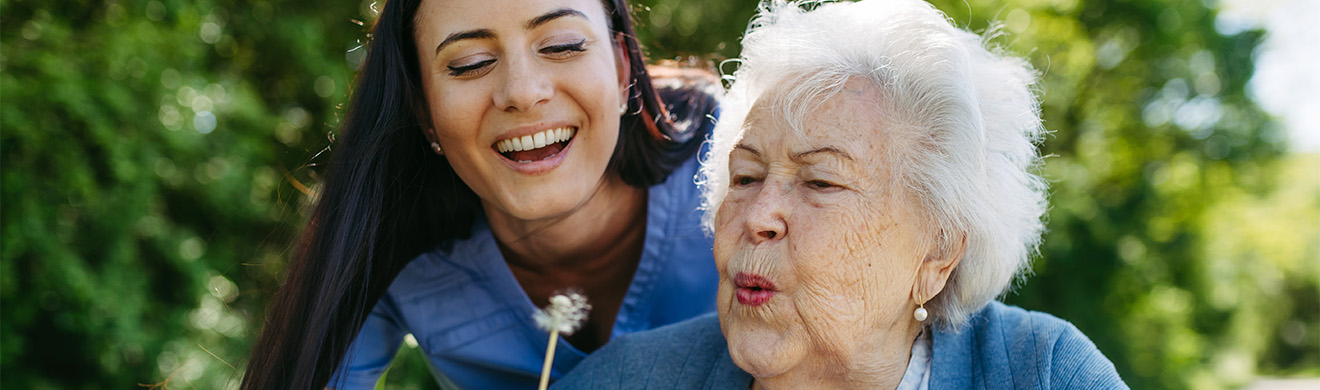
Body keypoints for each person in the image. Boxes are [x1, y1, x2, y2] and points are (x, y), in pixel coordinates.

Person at [554, 0, 1128, 388]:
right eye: (747, 177)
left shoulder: (1042, 371)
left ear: (938, 255)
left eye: (820, 181)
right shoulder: (626, 379)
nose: (758, 216)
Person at [240, 0, 721, 388]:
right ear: (424, 111)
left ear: (621, 71)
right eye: (472, 64)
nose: (522, 91)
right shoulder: (389, 246)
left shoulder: (738, 155)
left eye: (561, 45)